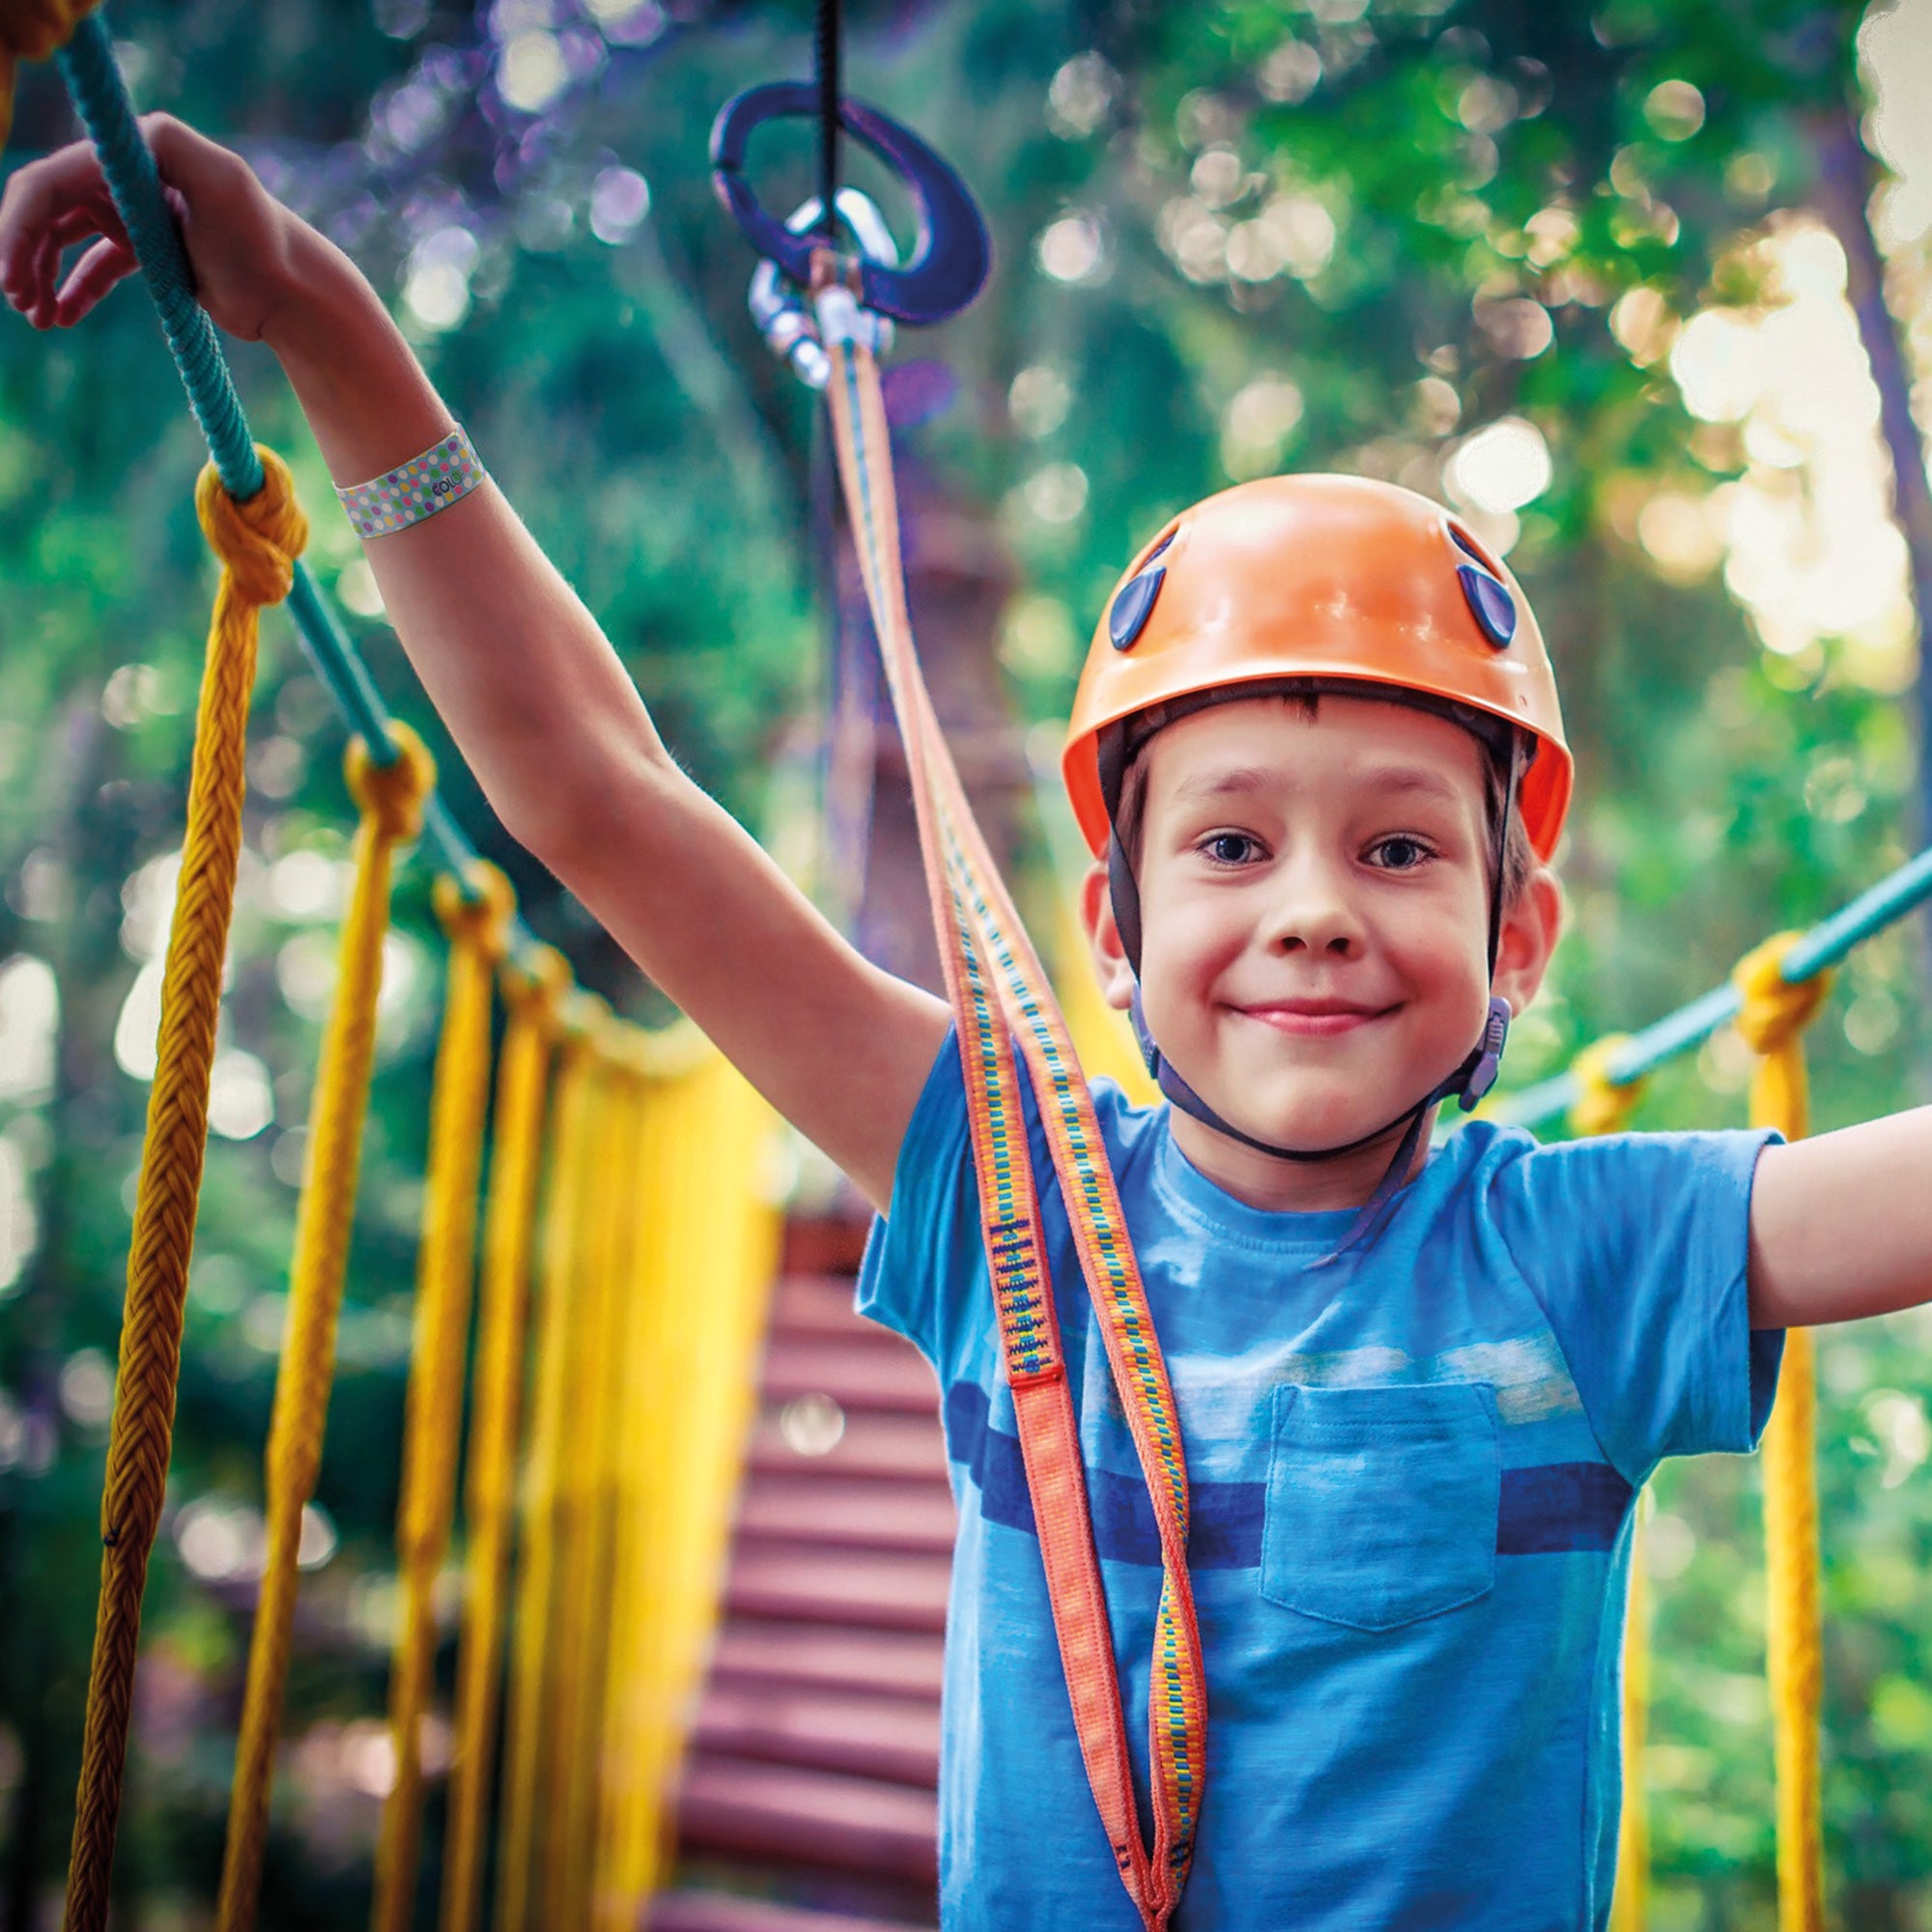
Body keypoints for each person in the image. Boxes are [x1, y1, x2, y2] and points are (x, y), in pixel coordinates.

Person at [4, 116, 1929, 1932]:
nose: (1317, 907)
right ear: (1112, 921)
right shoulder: (1001, 1194)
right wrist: (323, 319)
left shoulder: (1589, 1260)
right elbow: (595, 797)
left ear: (1519, 939)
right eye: (1234, 840)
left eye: (1405, 848)